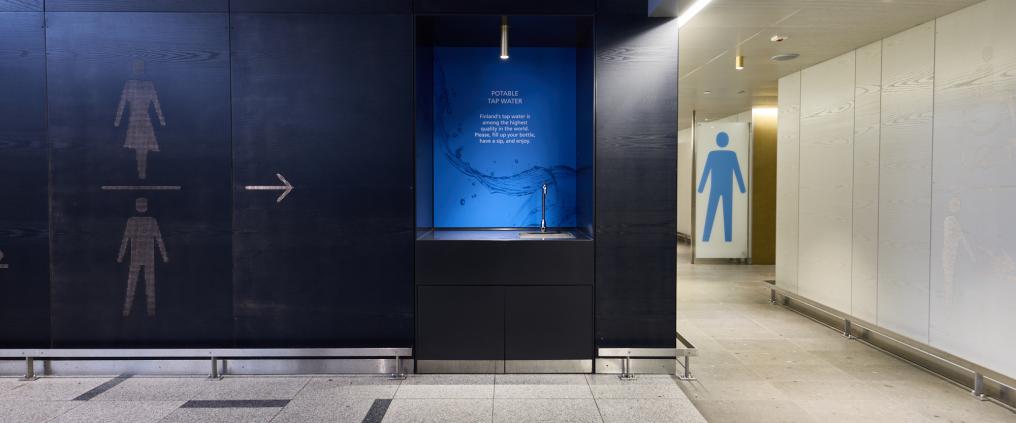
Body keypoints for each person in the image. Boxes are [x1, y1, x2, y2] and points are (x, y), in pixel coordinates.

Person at [114, 60, 165, 180]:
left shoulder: (149, 85)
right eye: (137, 66)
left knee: (143, 147)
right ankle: (140, 171)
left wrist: (161, 119)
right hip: (135, 118)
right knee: (139, 147)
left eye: (140, 66)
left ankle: (142, 171)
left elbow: (156, 103)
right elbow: (122, 103)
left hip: (144, 118)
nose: (138, 69)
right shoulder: (129, 84)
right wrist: (117, 120)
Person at [118, 198, 169, 317]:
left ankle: (131, 311)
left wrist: (120, 256)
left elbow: (125, 239)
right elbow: (159, 239)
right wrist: (164, 256)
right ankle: (138, 311)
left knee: (135, 285)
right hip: (145, 256)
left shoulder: (134, 221)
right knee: (140, 285)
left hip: (140, 256)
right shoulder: (150, 221)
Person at [698, 131, 745, 242]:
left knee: (711, 211)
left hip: (715, 187)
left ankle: (705, 237)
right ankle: (728, 239)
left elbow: (706, 172)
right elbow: (737, 172)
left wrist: (701, 188)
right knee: (727, 213)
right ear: (727, 141)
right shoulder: (731, 154)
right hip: (727, 188)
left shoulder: (712, 154)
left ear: (717, 141)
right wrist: (742, 188)